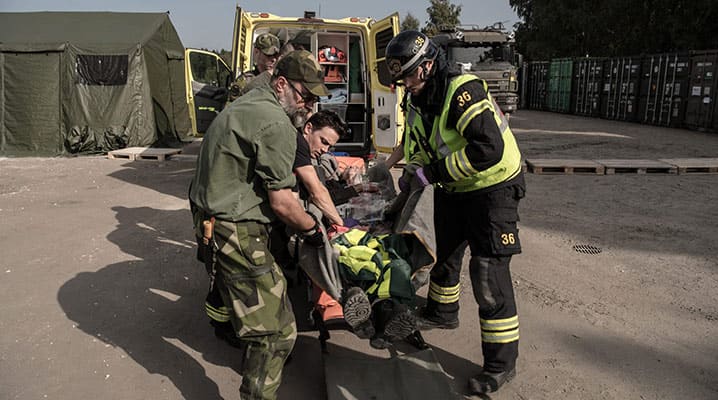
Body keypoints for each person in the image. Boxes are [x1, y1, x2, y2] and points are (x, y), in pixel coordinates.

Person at [385, 30, 525, 395]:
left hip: (494, 188)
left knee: (487, 275)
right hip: (456, 188)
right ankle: (442, 314)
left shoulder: (462, 91)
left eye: (407, 78)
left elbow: (488, 149)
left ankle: (500, 365)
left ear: (427, 66)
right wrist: (410, 173)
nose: (404, 86)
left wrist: (431, 173)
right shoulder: (417, 99)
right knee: (443, 252)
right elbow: (417, 144)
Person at [189, 49, 329, 400]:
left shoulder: (251, 101)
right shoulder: (276, 122)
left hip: (213, 218)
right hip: (233, 228)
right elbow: (282, 202)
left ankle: (242, 339)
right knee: (277, 333)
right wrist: (313, 228)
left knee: (267, 296)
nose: (309, 107)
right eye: (306, 97)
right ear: (282, 84)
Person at [228, 32, 281, 101]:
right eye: (269, 55)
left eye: (276, 55)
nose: (273, 59)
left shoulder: (280, 82)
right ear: (256, 52)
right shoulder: (245, 81)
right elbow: (231, 108)